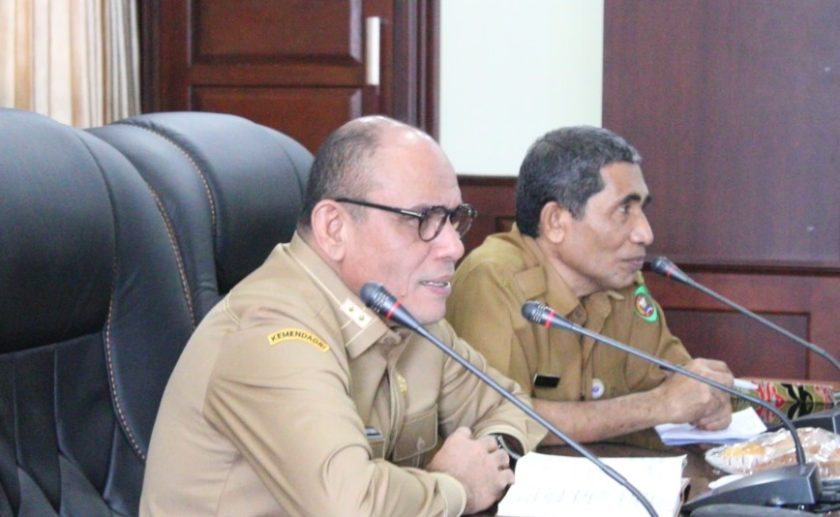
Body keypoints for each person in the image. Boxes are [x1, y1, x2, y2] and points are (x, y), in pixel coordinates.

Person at [139, 116, 546, 516]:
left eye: (454, 219)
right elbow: (352, 507)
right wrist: (457, 487)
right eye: (423, 219)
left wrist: (489, 458)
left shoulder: (404, 312)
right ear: (334, 228)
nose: (454, 247)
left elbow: (511, 408)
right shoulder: (271, 333)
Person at [446, 126, 733, 445]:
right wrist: (658, 406)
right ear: (555, 222)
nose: (645, 233)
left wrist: (706, 398)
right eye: (624, 210)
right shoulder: (493, 279)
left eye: (642, 209)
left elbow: (676, 380)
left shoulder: (620, 280)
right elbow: (498, 421)